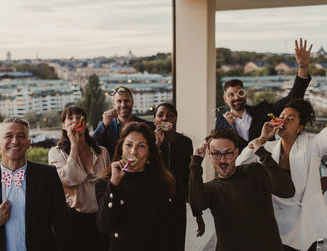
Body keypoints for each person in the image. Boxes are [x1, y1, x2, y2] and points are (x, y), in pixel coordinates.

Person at [236, 99, 327, 251]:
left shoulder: (312, 145)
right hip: (274, 223)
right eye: (281, 116)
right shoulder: (267, 148)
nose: (283, 121)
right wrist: (262, 139)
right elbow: (239, 165)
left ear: (300, 127)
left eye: (291, 119)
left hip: (303, 225)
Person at [0, 116, 68, 251]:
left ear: (29, 143)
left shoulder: (48, 175)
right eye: (8, 136)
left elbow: (63, 225)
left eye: (21, 136)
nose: (15, 141)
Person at [189, 128, 295, 251]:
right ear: (208, 154)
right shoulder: (211, 188)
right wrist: (196, 163)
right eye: (216, 153)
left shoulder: (254, 171)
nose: (223, 160)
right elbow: (197, 204)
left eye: (228, 153)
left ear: (236, 153)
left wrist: (262, 153)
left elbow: (287, 190)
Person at [95, 122, 175, 251]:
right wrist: (114, 183)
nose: (133, 152)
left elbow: (166, 231)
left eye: (141, 146)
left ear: (149, 152)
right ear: (121, 148)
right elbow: (105, 226)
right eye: (128, 145)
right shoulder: (105, 183)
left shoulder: (161, 183)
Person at [223, 38, 312, 152]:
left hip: (268, 167)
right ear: (225, 98)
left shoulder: (264, 110)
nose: (236, 98)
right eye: (231, 95)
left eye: (240, 93)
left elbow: (293, 98)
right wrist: (226, 127)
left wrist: (303, 67)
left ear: (245, 94)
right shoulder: (222, 123)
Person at [48, 105, 110, 251]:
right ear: (64, 125)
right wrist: (74, 145)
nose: (75, 121)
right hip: (73, 218)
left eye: (79, 118)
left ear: (85, 123)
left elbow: (107, 184)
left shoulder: (102, 152)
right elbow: (70, 179)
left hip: (100, 216)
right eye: (70, 118)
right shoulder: (56, 153)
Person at [153, 103, 205, 250]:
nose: (165, 118)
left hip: (177, 203)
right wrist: (156, 145)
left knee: (176, 244)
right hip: (153, 203)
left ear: (176, 119)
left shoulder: (185, 143)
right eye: (160, 115)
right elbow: (144, 171)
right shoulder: (147, 143)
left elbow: (189, 178)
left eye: (170, 115)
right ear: (154, 120)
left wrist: (197, 213)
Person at [93, 86, 155, 158]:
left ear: (132, 102)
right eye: (119, 101)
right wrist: (104, 125)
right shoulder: (105, 127)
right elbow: (93, 146)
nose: (123, 105)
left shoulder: (148, 126)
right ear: (114, 104)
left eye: (126, 101)